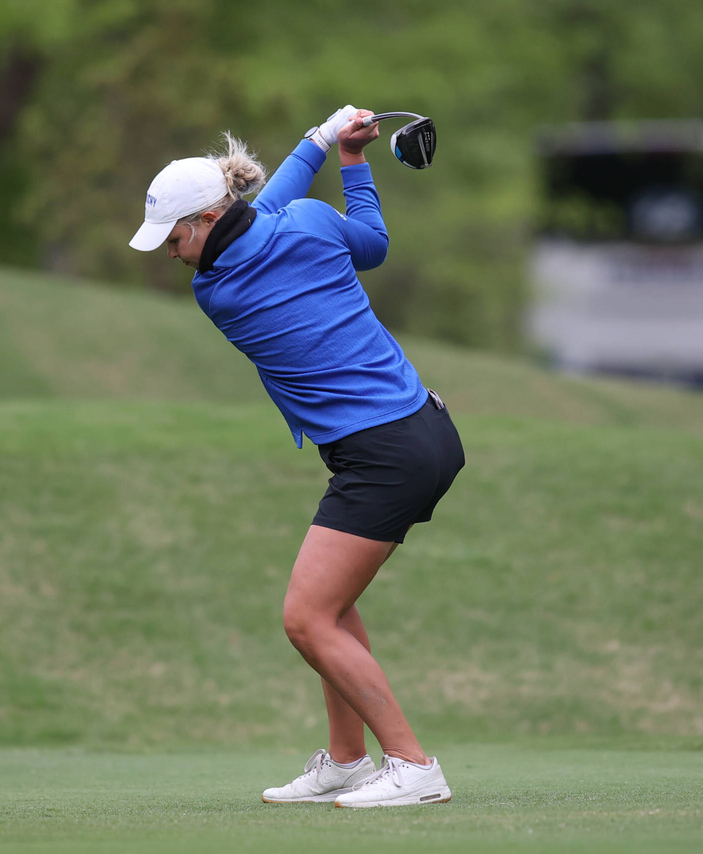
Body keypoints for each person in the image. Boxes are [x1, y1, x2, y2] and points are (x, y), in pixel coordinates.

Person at [128, 106, 465, 808]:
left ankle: (412, 765)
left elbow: (263, 213)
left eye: (175, 233)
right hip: (414, 432)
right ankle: (347, 761)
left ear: (209, 218)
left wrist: (319, 144)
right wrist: (346, 160)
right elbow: (365, 241)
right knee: (331, 610)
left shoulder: (216, 289)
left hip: (386, 450)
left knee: (306, 617)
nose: (169, 250)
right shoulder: (305, 226)